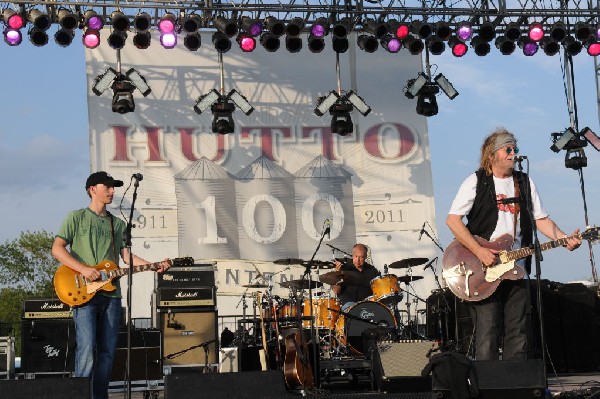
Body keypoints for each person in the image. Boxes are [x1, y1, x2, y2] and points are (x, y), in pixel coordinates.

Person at [446, 128, 581, 361]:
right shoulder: (476, 181)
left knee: (518, 332)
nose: (513, 153)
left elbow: (541, 219)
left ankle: (515, 386)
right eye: (507, 149)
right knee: (487, 331)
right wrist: (479, 251)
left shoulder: (524, 182)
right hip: (484, 268)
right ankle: (488, 388)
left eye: (515, 149)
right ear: (492, 155)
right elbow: (453, 220)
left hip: (517, 267)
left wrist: (563, 237)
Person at [51, 171, 171, 399]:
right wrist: (84, 269)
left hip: (111, 296)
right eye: (107, 186)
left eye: (114, 187)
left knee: (107, 353)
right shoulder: (76, 217)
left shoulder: (116, 224)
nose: (112, 191)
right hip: (83, 293)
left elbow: (127, 257)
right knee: (86, 350)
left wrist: (154, 265)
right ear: (92, 189)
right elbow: (57, 248)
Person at [331, 243, 380, 311]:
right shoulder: (344, 269)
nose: (358, 260)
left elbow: (378, 291)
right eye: (356, 256)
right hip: (348, 305)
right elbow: (336, 291)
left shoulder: (372, 270)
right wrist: (337, 273)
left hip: (367, 305)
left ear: (365, 256)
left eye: (361, 257)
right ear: (352, 255)